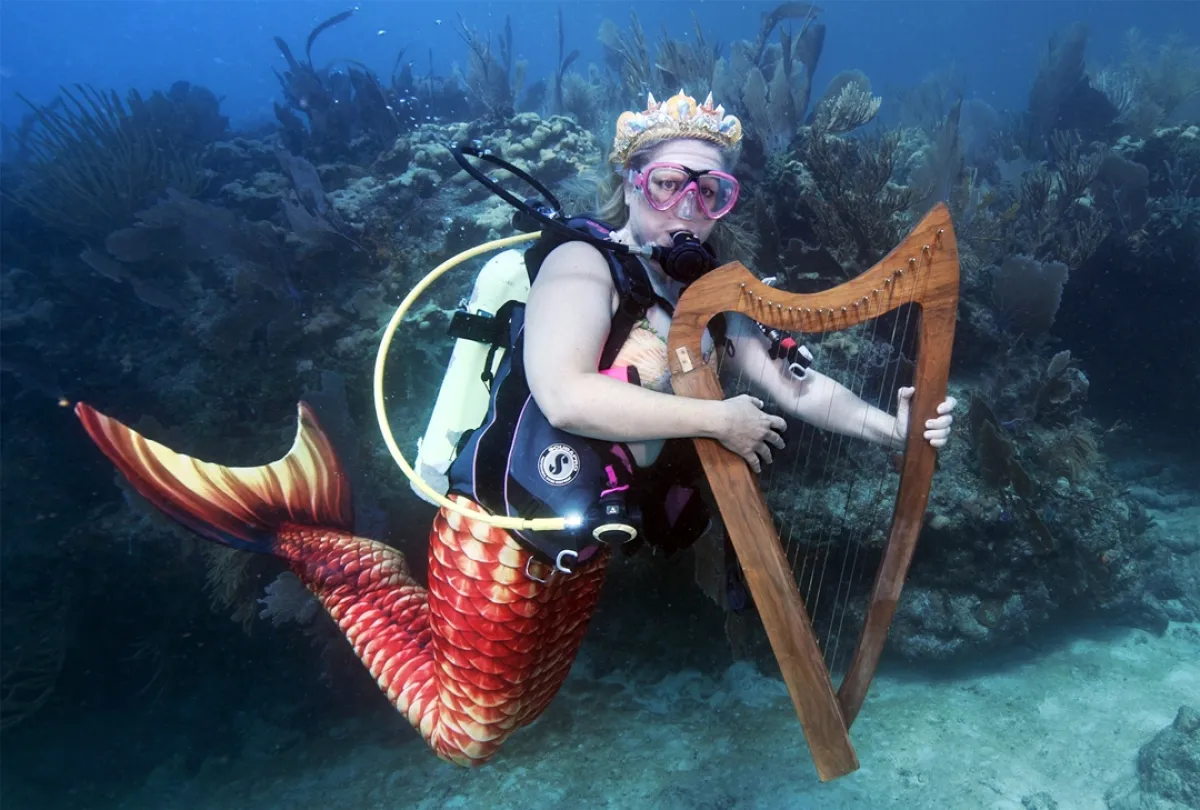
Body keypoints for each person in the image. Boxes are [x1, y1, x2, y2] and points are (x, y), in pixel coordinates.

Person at [74, 91, 956, 769]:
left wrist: (897, 426)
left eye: (712, 189)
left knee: (523, 713)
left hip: (579, 540)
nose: (688, 206)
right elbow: (568, 397)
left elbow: (794, 385)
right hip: (497, 533)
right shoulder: (581, 262)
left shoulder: (711, 296)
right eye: (667, 182)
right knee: (467, 733)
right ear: (630, 183)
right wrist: (715, 418)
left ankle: (343, 555)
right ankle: (335, 554)